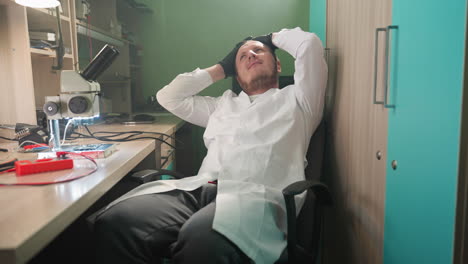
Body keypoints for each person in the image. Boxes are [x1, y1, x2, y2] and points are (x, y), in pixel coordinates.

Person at [93, 27, 327, 264]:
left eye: (259, 51)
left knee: (203, 237)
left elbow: (309, 45)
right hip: (202, 190)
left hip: (257, 198)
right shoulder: (221, 106)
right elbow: (168, 97)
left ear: (277, 65)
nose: (251, 55)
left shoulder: (300, 101)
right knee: (118, 221)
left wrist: (269, 38)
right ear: (235, 75)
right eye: (242, 57)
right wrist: (220, 68)